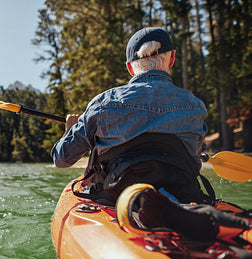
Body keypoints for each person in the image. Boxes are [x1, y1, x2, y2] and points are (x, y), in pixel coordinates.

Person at [52, 27, 210, 205]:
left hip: (115, 200)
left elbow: (62, 159)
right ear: (172, 58)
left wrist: (70, 131)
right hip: (182, 198)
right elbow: (194, 153)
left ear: (130, 68)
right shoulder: (196, 107)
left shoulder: (102, 104)